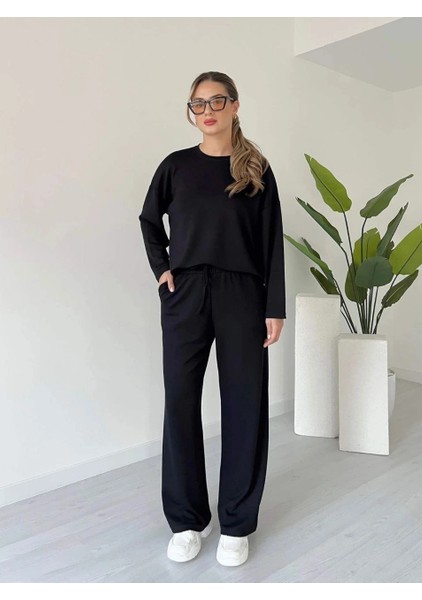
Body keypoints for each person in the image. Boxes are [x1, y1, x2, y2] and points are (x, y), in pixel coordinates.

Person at [139, 71, 286, 567]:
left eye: (217, 101)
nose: (207, 110)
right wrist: (162, 269)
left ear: (235, 105)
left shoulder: (256, 169)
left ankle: (237, 523)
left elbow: (271, 240)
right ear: (192, 111)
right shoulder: (175, 166)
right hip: (185, 293)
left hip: (242, 293)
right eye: (198, 103)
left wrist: (274, 306)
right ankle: (187, 520)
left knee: (244, 404)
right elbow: (149, 219)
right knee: (180, 402)